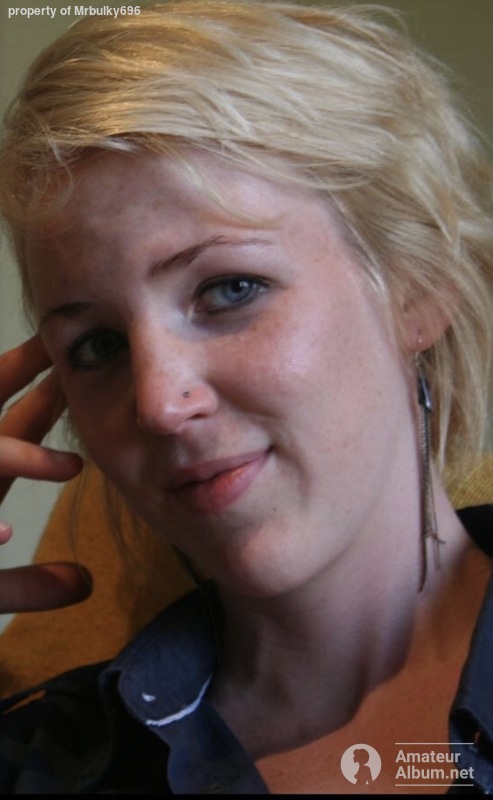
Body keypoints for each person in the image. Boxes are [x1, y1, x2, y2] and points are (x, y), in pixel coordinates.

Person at [0, 0, 492, 793]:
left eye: (230, 288)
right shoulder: (44, 762)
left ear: (417, 284)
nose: (159, 405)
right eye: (98, 346)